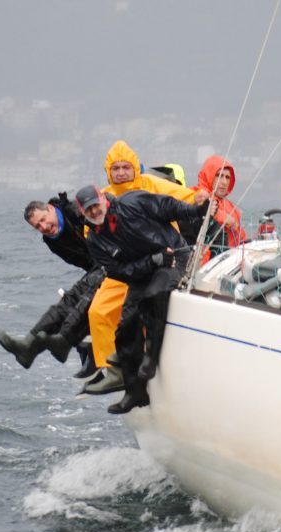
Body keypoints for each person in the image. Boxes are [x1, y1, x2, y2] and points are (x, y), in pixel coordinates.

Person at [82, 140, 207, 396]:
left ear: (135, 167)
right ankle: (113, 370)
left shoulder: (150, 184)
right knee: (98, 312)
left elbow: (179, 196)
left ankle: (151, 356)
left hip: (162, 256)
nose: (121, 173)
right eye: (115, 168)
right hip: (130, 265)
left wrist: (198, 199)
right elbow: (92, 234)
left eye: (125, 167)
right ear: (108, 172)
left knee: (148, 303)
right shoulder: (101, 197)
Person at [0, 192, 102, 377]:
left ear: (51, 209)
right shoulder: (52, 240)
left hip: (112, 259)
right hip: (97, 266)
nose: (44, 227)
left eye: (43, 219)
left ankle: (50, 345)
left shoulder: (75, 212)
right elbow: (81, 260)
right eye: (38, 226)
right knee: (74, 299)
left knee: (80, 298)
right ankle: (30, 345)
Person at [194, 155, 246, 259]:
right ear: (209, 175)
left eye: (227, 177)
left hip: (230, 260)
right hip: (203, 262)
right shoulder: (197, 194)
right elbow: (199, 209)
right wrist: (223, 217)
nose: (224, 182)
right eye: (219, 176)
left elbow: (241, 238)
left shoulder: (232, 208)